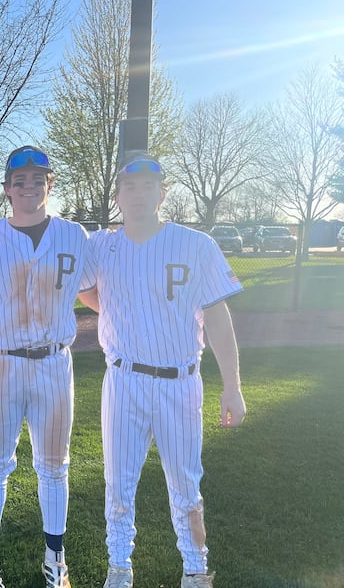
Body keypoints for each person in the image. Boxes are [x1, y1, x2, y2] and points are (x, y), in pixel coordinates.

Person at [78, 154, 246, 588]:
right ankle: (119, 569)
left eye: (148, 186)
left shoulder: (196, 244)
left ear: (162, 192)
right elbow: (83, 286)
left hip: (180, 381)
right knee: (118, 484)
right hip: (124, 380)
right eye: (129, 188)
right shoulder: (102, 245)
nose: (138, 195)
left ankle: (195, 570)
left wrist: (233, 387)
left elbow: (219, 317)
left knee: (186, 487)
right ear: (117, 196)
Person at [0, 146, 96, 588]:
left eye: (37, 179)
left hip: (52, 362)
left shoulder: (74, 235)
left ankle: (55, 557)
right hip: (0, 362)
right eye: (19, 180)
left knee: (54, 463)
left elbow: (95, 293)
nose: (29, 187)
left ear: (50, 184)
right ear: (6, 188)